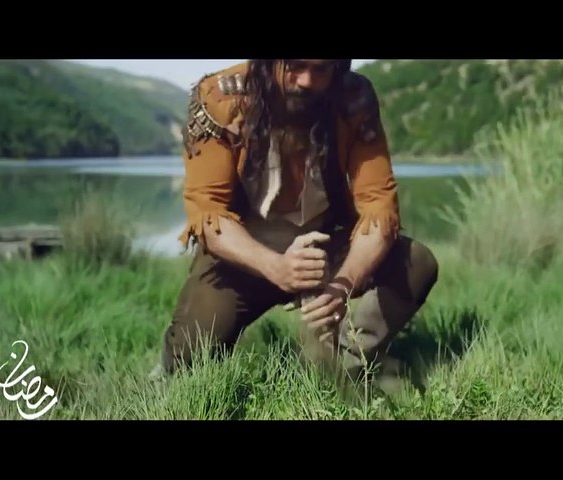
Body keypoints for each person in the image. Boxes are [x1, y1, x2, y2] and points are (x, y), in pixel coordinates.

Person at [153, 59, 438, 392]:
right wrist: (276, 267)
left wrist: (344, 283)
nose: (306, 81)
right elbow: (208, 214)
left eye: (321, 69)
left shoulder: (354, 96)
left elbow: (378, 207)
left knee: (415, 263)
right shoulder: (220, 96)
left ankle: (343, 365)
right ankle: (169, 367)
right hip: (243, 256)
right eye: (295, 66)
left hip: (324, 249)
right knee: (189, 356)